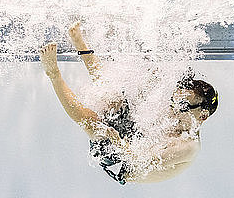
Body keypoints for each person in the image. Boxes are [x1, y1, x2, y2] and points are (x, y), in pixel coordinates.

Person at [39, 21, 218, 184]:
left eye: (183, 106)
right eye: (175, 101)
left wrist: (118, 141)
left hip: (123, 165)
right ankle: (80, 43)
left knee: (93, 124)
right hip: (133, 139)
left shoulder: (188, 147)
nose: (175, 108)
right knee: (113, 97)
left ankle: (53, 73)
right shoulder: (177, 117)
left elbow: (140, 160)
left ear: (202, 115)